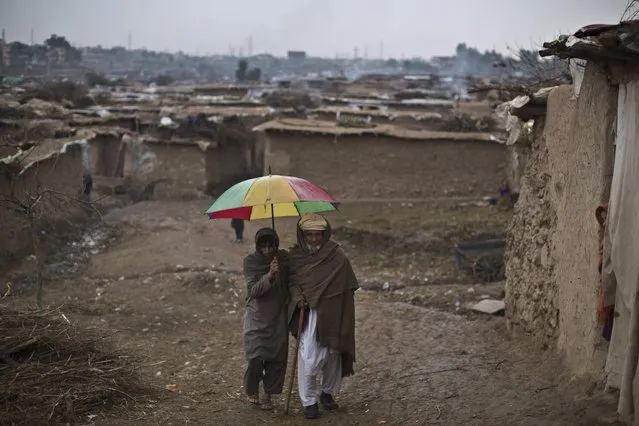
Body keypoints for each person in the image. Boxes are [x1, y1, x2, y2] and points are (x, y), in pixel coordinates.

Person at [288, 213, 359, 419]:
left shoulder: (337, 256)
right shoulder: (295, 257)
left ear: (324, 234)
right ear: (302, 235)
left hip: (333, 312)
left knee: (332, 354)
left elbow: (348, 285)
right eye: (309, 235)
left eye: (318, 235)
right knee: (309, 356)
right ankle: (309, 401)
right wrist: (299, 296)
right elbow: (292, 283)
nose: (314, 239)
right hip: (309, 314)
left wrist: (332, 297)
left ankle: (327, 393)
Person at [242, 228, 290, 410]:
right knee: (255, 356)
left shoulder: (283, 260)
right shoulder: (251, 262)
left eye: (271, 245)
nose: (268, 250)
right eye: (263, 246)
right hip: (257, 316)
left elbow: (293, 280)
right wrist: (270, 275)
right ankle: (252, 387)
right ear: (258, 246)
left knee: (276, 358)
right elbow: (252, 291)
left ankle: (267, 393)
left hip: (278, 317)